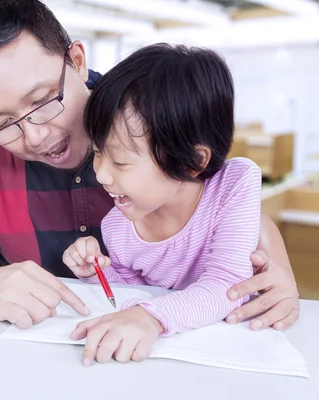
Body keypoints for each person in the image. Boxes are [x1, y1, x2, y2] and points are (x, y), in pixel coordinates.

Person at [0, 0, 299, 334]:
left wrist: (274, 266)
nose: (35, 135)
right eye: (1, 124)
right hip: (28, 343)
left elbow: (220, 199)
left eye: (42, 101)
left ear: (75, 59)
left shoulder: (143, 115)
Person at [63, 43, 262, 366]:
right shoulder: (118, 225)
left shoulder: (235, 184)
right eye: (98, 153)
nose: (100, 174)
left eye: (121, 162)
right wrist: (96, 271)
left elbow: (229, 285)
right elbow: (135, 294)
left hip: (237, 356)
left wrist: (151, 318)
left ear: (192, 162)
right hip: (166, 361)